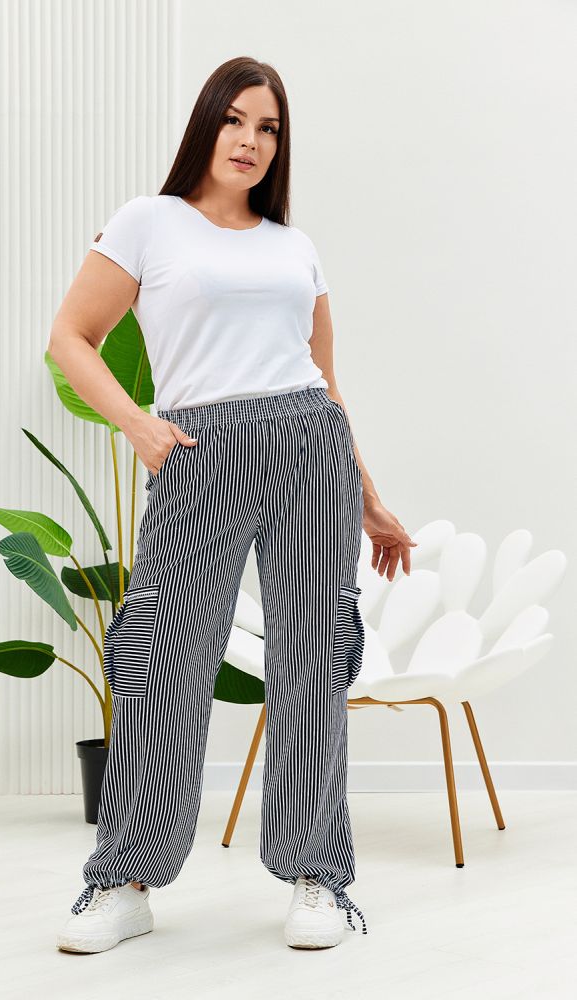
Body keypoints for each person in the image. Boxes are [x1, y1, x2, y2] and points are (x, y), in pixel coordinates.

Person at [49, 55, 415, 955]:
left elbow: (324, 382)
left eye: (269, 128)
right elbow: (71, 337)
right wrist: (138, 424)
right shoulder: (148, 222)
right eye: (235, 120)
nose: (250, 141)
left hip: (308, 450)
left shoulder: (294, 245)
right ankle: (125, 879)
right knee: (158, 663)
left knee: (312, 662)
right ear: (206, 124)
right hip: (197, 454)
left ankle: (316, 876)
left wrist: (369, 500)